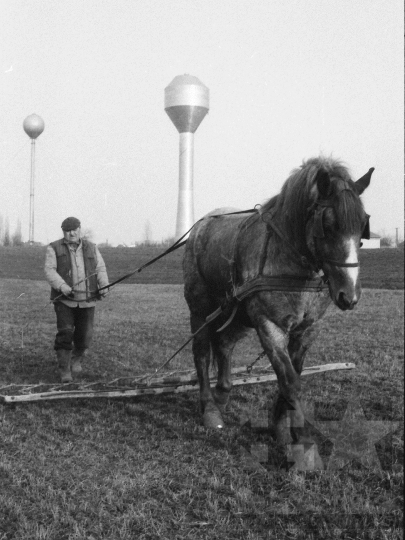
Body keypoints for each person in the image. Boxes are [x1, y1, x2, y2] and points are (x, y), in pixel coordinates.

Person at [44, 217, 109, 383]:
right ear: (63, 232)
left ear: (80, 229)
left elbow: (100, 268)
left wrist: (104, 285)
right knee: (65, 333)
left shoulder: (92, 248)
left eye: (74, 229)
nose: (71, 233)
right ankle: (64, 369)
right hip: (64, 300)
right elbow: (49, 271)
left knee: (85, 335)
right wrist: (62, 286)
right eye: (67, 230)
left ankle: (76, 359)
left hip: (88, 300)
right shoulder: (53, 248)